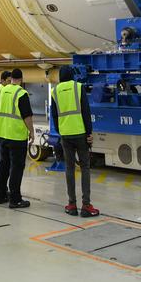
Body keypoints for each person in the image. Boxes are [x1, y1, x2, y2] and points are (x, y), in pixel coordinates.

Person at [50, 67, 97, 217]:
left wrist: (61, 131)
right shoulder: (78, 87)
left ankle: (71, 205)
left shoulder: (55, 91)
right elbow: (86, 111)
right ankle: (86, 206)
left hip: (66, 135)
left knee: (69, 168)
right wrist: (89, 133)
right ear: (72, 76)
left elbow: (54, 115)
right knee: (85, 168)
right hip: (80, 133)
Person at [0, 68, 34, 209]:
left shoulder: (1, 91)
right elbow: (27, 116)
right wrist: (31, 131)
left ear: (11, 79)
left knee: (3, 165)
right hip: (16, 136)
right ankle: (15, 199)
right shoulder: (21, 93)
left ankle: (0, 195)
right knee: (16, 167)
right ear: (21, 79)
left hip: (1, 135)